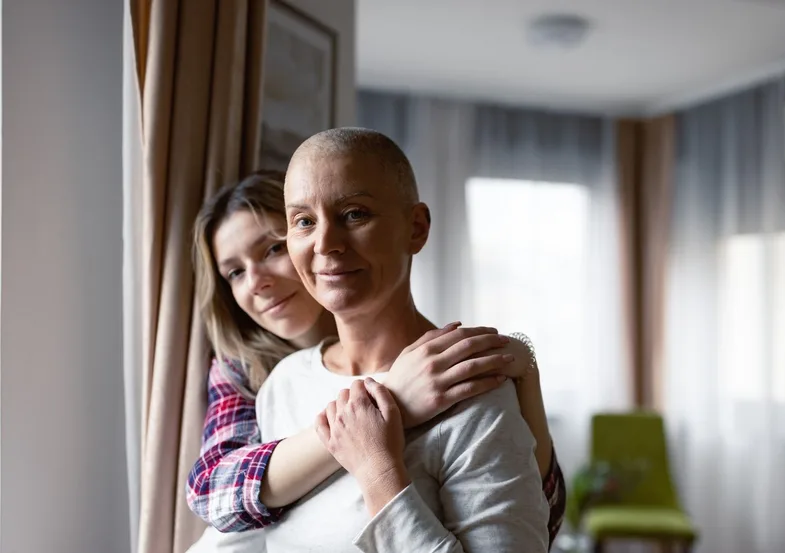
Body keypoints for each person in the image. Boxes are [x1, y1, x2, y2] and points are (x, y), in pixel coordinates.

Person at [186, 172, 565, 546]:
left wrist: (526, 373)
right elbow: (210, 492)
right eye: (234, 272)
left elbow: (541, 517)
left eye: (272, 249)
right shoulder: (246, 371)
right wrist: (388, 404)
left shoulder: (426, 361)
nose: (256, 282)